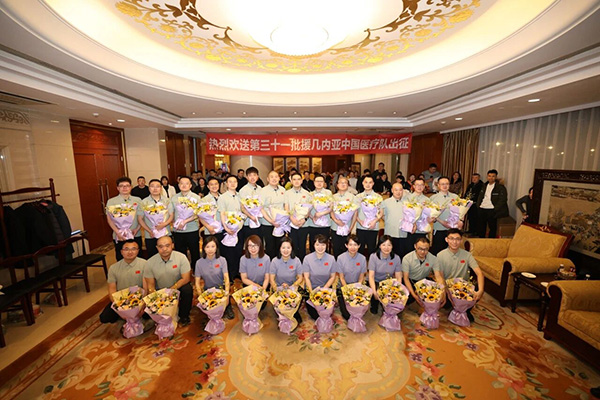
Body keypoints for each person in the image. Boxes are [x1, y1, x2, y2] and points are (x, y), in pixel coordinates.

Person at [436, 229, 485, 322]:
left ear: (461, 240)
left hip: (463, 288)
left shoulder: (467, 255)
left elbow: (479, 273)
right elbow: (441, 277)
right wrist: (447, 293)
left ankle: (466, 310)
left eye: (457, 239)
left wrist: (480, 291)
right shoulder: (440, 256)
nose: (454, 242)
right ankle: (453, 306)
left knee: (478, 287)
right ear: (446, 239)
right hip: (447, 288)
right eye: (451, 238)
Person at [144, 236, 193, 326]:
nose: (164, 249)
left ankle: (184, 316)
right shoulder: (150, 262)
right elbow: (150, 285)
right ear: (157, 248)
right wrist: (155, 297)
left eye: (167, 245)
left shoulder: (181, 257)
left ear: (172, 245)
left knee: (187, 289)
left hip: (177, 287)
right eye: (161, 247)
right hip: (160, 290)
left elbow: (186, 278)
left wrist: (171, 291)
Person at [99, 240, 149, 325]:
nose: (130, 252)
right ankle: (127, 315)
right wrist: (120, 308)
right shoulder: (113, 268)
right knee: (105, 318)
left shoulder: (145, 264)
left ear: (138, 251)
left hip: (140, 298)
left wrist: (142, 305)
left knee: (151, 314)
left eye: (133, 249)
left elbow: (146, 288)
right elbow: (111, 290)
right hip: (122, 299)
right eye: (126, 249)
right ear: (121, 252)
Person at [194, 235, 234, 320]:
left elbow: (226, 278)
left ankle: (228, 306)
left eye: (213, 246)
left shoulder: (222, 260)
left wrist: (226, 294)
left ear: (216, 248)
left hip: (221, 289)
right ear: (204, 248)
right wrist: (201, 297)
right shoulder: (199, 263)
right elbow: (197, 282)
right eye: (207, 247)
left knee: (224, 308)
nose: (210, 249)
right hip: (208, 290)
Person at [106, 177, 143, 261]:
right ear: (118, 188)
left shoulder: (137, 200)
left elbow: (141, 217)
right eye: (122, 186)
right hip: (119, 235)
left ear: (131, 187)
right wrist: (117, 232)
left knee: (138, 259)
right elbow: (109, 219)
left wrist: (137, 229)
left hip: (135, 234)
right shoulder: (111, 201)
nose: (125, 188)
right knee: (121, 259)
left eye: (127, 185)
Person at [302, 234, 339, 320]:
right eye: (317, 244)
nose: (320, 247)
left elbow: (332, 277)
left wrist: (324, 290)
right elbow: (306, 278)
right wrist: (311, 292)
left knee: (326, 311)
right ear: (313, 245)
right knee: (315, 315)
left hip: (326, 288)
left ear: (326, 245)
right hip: (311, 288)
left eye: (323, 245)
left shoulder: (331, 259)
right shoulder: (307, 258)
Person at [402, 237, 445, 306]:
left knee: (433, 295)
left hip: (424, 281)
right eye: (420, 249)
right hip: (411, 280)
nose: (422, 252)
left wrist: (442, 292)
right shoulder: (407, 258)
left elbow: (438, 276)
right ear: (415, 246)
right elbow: (405, 278)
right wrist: (414, 296)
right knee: (407, 298)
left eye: (426, 249)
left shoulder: (433, 258)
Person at [269, 237, 303, 323]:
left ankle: (294, 312)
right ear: (279, 248)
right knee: (280, 306)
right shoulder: (274, 261)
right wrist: (276, 288)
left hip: (292, 287)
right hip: (279, 288)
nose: (286, 250)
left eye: (288, 247)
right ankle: (282, 313)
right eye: (283, 247)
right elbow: (271, 279)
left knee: (300, 295)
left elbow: (300, 277)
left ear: (292, 248)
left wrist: (292, 286)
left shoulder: (296, 261)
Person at [137, 178, 174, 258]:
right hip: (150, 235)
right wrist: (149, 231)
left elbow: (171, 215)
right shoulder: (143, 202)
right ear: (149, 188)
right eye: (152, 186)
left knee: (167, 255)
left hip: (165, 233)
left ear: (161, 188)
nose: (155, 188)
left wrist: (164, 224)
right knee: (152, 256)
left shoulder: (167, 201)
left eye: (157, 186)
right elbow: (140, 219)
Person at [171, 176, 202, 268]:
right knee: (180, 253)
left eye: (186, 183)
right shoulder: (174, 198)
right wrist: (175, 223)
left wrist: (185, 221)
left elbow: (198, 213)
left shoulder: (196, 197)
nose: (184, 185)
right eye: (182, 183)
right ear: (178, 185)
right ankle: (183, 270)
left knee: (194, 252)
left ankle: (195, 270)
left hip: (192, 229)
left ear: (190, 185)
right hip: (178, 230)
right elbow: (171, 213)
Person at [368, 235, 403, 314]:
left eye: (389, 245)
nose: (386, 248)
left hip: (388, 282)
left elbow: (398, 277)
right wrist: (374, 292)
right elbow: (371, 276)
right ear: (379, 246)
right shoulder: (373, 257)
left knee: (389, 307)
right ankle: (374, 303)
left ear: (392, 246)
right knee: (374, 309)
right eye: (383, 245)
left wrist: (396, 289)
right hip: (376, 281)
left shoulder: (396, 258)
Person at [217, 174, 243, 279]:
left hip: (239, 229)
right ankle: (229, 275)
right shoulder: (222, 197)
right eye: (230, 182)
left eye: (235, 182)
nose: (232, 184)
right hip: (228, 229)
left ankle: (237, 272)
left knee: (238, 251)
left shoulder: (240, 196)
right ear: (226, 184)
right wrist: (226, 228)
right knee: (228, 253)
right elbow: (222, 213)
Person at [336, 235, 367, 320]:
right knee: (347, 315)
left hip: (357, 286)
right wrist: (348, 291)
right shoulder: (340, 258)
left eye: (355, 245)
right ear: (346, 245)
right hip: (343, 287)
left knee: (360, 310)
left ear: (359, 246)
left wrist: (356, 289)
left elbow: (361, 277)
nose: (353, 247)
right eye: (350, 245)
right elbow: (341, 278)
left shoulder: (362, 258)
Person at [259, 171, 287, 258]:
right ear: (268, 179)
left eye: (276, 177)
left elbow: (285, 205)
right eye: (271, 177)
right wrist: (271, 221)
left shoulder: (283, 190)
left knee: (280, 246)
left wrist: (284, 219)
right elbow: (260, 208)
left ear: (279, 178)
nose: (274, 179)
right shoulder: (263, 191)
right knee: (270, 246)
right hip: (268, 223)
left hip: (280, 224)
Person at [430, 176, 461, 255]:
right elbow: (431, 214)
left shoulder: (455, 197)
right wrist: (440, 221)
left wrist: (461, 220)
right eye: (442, 184)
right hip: (439, 229)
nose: (445, 186)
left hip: (452, 229)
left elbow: (461, 211)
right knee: (438, 251)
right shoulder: (433, 198)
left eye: (447, 184)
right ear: (438, 185)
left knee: (452, 251)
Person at [353, 176, 383, 257]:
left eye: (370, 182)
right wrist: (360, 221)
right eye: (366, 182)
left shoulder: (378, 197)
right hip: (360, 227)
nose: (368, 184)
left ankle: (371, 265)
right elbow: (354, 212)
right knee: (360, 249)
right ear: (363, 183)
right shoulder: (358, 197)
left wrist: (375, 221)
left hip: (373, 227)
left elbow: (381, 212)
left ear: (373, 184)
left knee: (371, 250)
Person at [284, 172, 312, 260]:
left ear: (302, 180)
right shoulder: (287, 193)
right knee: (293, 246)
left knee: (303, 246)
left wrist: (304, 219)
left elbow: (309, 208)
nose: (296, 181)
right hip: (291, 224)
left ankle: (302, 265)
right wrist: (292, 219)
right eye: (294, 179)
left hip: (304, 224)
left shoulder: (307, 193)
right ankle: (294, 264)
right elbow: (286, 208)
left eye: (298, 179)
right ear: (291, 181)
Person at [382, 183, 411, 260]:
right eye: (396, 190)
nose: (398, 192)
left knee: (402, 256)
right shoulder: (386, 202)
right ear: (392, 190)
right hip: (390, 232)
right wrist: (389, 221)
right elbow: (381, 215)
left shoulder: (407, 203)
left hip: (403, 233)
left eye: (400, 190)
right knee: (390, 256)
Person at [476, 169, 509, 238]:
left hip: (492, 209)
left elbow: (503, 199)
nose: (491, 178)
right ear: (487, 177)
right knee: (481, 227)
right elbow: (480, 196)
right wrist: (478, 205)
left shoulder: (500, 187)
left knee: (492, 228)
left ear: (496, 177)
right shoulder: (484, 185)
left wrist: (495, 208)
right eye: (489, 176)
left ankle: (491, 241)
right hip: (482, 208)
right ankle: (481, 240)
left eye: (493, 176)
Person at [330, 176, 357, 258]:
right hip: (335, 227)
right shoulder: (333, 197)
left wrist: (351, 227)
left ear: (348, 185)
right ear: (337, 185)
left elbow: (355, 213)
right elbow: (330, 211)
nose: (343, 184)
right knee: (336, 249)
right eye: (341, 183)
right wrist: (336, 220)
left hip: (347, 228)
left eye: (345, 183)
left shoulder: (352, 197)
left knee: (346, 250)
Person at [307, 174, 333, 253]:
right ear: (314, 182)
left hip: (325, 224)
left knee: (324, 245)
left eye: (321, 181)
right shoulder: (310, 194)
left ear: (324, 183)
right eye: (317, 181)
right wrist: (313, 217)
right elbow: (306, 209)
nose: (319, 183)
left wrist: (321, 213)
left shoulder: (328, 193)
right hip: (313, 224)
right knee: (313, 246)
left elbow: (331, 207)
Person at [239, 166, 263, 243]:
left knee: (259, 243)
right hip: (248, 222)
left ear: (258, 177)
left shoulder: (260, 189)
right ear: (246, 177)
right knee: (249, 244)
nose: (252, 177)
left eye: (254, 175)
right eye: (250, 175)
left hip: (259, 221)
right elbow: (242, 207)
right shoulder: (243, 190)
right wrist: (251, 216)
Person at [198, 177, 223, 242]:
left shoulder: (223, 198)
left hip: (223, 230)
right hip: (210, 230)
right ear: (208, 186)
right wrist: (208, 227)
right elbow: (200, 216)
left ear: (219, 185)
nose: (214, 186)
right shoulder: (204, 200)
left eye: (216, 184)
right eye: (211, 184)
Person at [407, 178, 429, 245]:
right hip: (410, 230)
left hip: (421, 230)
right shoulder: (407, 198)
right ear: (413, 186)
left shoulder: (427, 200)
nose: (419, 187)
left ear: (424, 186)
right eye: (417, 185)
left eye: (421, 185)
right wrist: (413, 223)